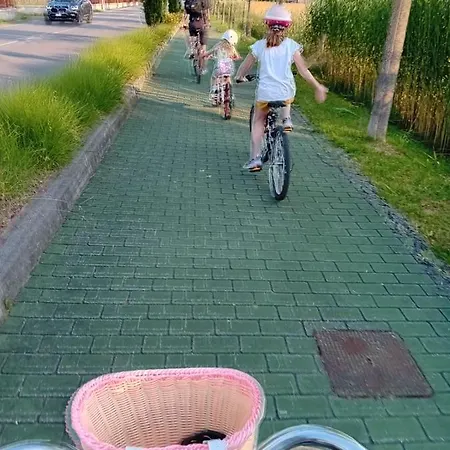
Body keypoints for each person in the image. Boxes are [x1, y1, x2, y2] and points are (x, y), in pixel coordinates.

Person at [235, 3, 328, 172]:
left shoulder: (259, 46)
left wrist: (239, 77)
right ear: (287, 27)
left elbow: (245, 66)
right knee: (286, 96)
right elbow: (304, 71)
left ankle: (255, 159)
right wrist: (318, 86)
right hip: (285, 92)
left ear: (267, 24)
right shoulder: (292, 46)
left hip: (265, 93)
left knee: (259, 121)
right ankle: (287, 119)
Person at [203, 29, 241, 105]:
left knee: (214, 77)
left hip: (219, 68)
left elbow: (211, 51)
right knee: (228, 78)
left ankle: (214, 93)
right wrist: (235, 58)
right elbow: (237, 56)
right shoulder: (232, 48)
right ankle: (231, 94)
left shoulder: (219, 45)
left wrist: (205, 55)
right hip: (228, 69)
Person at [183, 0, 210, 65]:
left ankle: (192, 51)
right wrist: (208, 22)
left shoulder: (189, 1)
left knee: (192, 38)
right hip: (202, 23)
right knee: (203, 42)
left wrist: (183, 23)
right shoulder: (204, 1)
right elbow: (207, 12)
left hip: (192, 23)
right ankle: (203, 54)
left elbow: (185, 13)